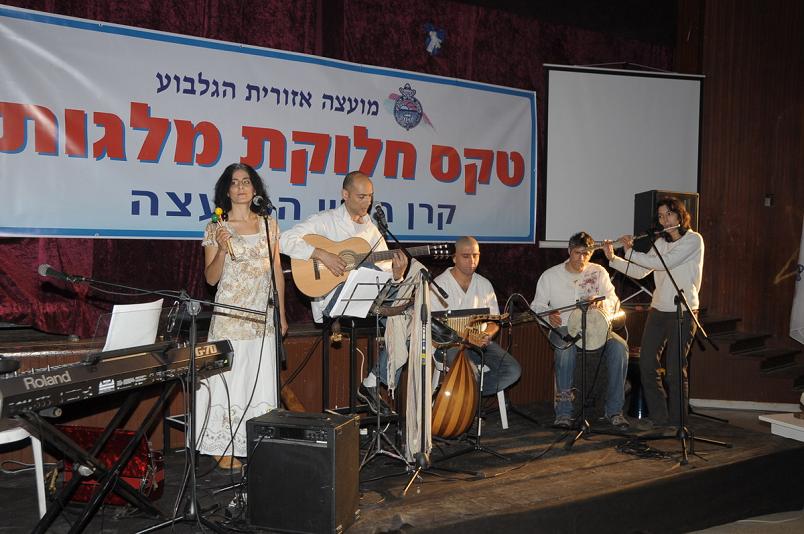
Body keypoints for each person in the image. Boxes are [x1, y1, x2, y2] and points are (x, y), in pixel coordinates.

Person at [279, 171, 408, 412]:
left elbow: (382, 275)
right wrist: (321, 254)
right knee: (372, 274)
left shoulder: (373, 230)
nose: (367, 202)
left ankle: (372, 382)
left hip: (368, 302)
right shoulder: (325, 221)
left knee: (406, 323)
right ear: (345, 195)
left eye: (370, 196)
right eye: (361, 196)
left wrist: (397, 274)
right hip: (333, 302)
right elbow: (284, 240)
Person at [196, 163, 288, 470]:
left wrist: (282, 314)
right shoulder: (216, 228)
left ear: (255, 188)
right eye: (234, 182)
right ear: (226, 190)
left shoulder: (269, 224)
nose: (240, 187)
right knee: (230, 381)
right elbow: (210, 279)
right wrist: (222, 249)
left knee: (258, 382)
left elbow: (277, 271)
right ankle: (221, 446)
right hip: (230, 317)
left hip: (263, 316)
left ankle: (257, 442)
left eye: (246, 181)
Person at [604, 197, 703, 428]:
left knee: (675, 371)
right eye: (660, 216)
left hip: (682, 311)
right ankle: (660, 418)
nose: (665, 220)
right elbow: (641, 271)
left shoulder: (693, 240)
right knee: (647, 364)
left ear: (680, 216)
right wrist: (613, 258)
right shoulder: (660, 242)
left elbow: (665, 263)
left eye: (669, 214)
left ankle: (678, 424)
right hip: (658, 309)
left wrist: (629, 250)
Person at [531, 232, 629, 429]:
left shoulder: (598, 272)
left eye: (586, 254)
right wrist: (549, 315)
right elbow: (536, 306)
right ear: (569, 251)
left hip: (597, 328)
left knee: (620, 348)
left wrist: (602, 304)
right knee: (565, 349)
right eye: (578, 253)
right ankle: (564, 413)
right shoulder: (550, 275)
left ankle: (614, 411)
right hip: (564, 327)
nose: (582, 258)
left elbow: (614, 300)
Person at [430, 236, 521, 397]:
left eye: (475, 255)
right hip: (449, 346)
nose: (472, 261)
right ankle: (468, 398)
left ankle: (465, 397)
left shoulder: (484, 284)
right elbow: (435, 329)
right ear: (454, 258)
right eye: (466, 256)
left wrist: (486, 335)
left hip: (480, 343)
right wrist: (467, 338)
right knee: (469, 371)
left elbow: (493, 321)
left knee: (512, 370)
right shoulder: (439, 285)